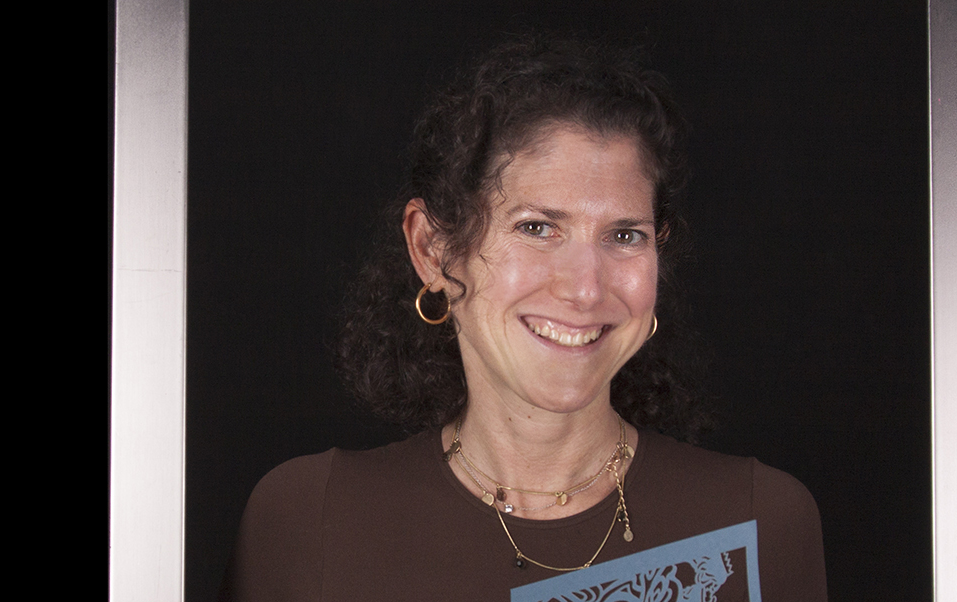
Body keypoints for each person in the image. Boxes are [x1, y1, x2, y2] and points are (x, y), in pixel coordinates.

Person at [226, 34, 827, 601]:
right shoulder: (308, 519)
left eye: (624, 235)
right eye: (537, 228)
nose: (586, 288)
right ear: (433, 250)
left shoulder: (759, 524)